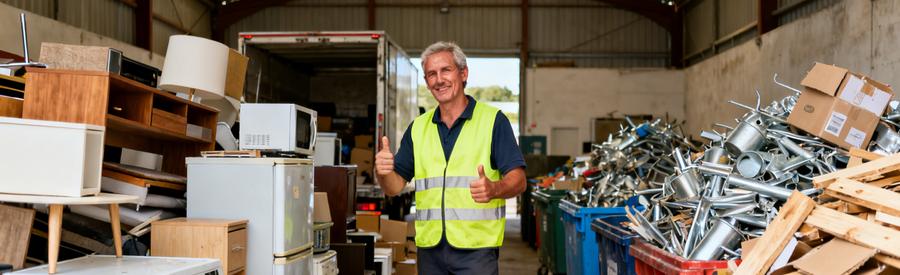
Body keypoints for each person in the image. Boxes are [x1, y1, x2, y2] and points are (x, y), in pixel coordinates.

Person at [374, 41, 526, 274]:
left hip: (477, 250)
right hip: (430, 249)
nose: (439, 79)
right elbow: (394, 187)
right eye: (431, 74)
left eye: (446, 70)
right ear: (427, 83)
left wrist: (494, 189)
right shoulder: (418, 128)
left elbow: (519, 180)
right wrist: (383, 172)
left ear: (463, 73)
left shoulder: (493, 121)